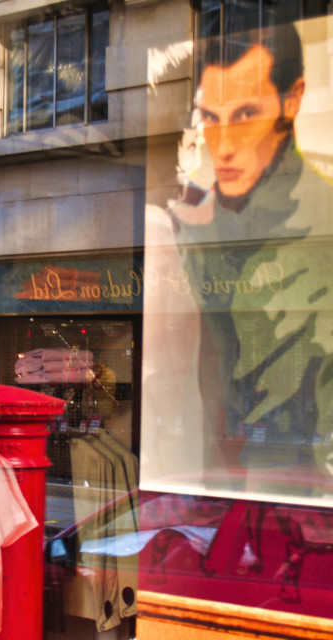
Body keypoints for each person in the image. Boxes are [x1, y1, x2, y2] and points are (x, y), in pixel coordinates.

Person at [146, 21, 333, 494]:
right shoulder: (200, 222)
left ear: (292, 102)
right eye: (211, 117)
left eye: (246, 114)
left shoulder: (316, 229)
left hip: (295, 493)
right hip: (222, 480)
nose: (224, 145)